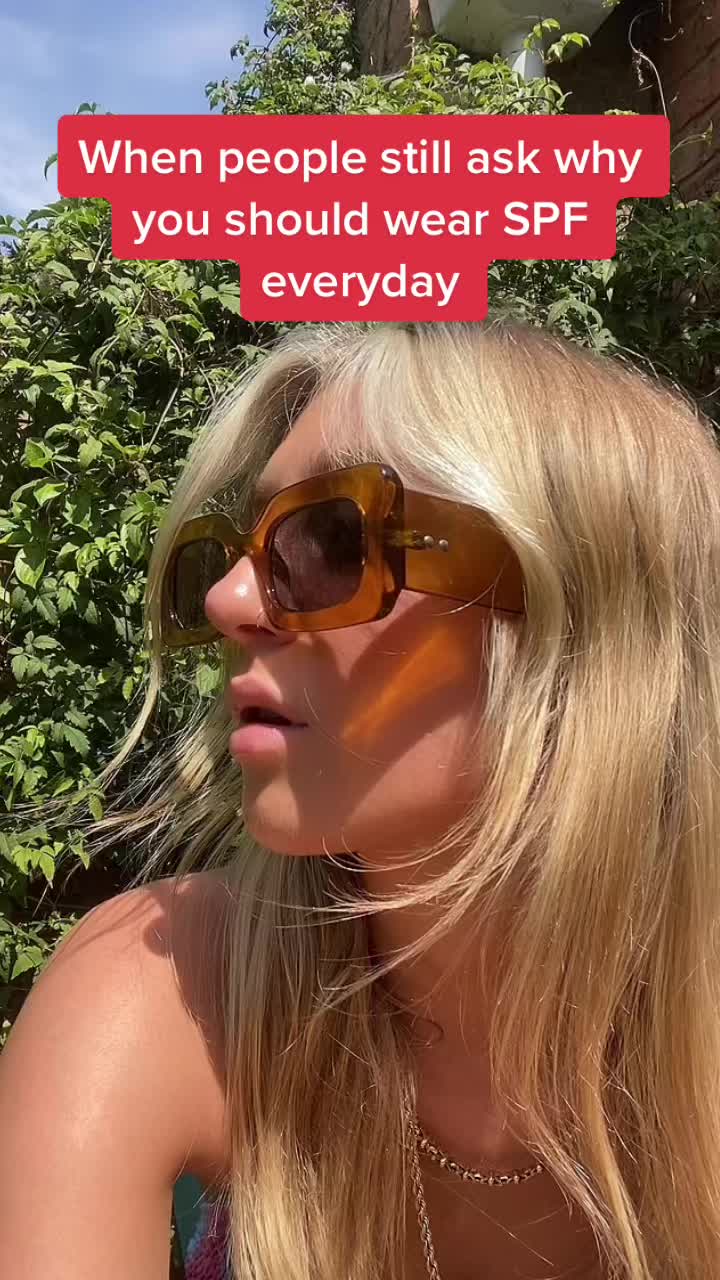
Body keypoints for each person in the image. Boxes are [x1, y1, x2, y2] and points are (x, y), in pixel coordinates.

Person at [2, 317, 720, 1280]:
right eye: (237, 549)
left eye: (331, 540)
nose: (227, 602)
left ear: (585, 618)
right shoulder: (170, 987)